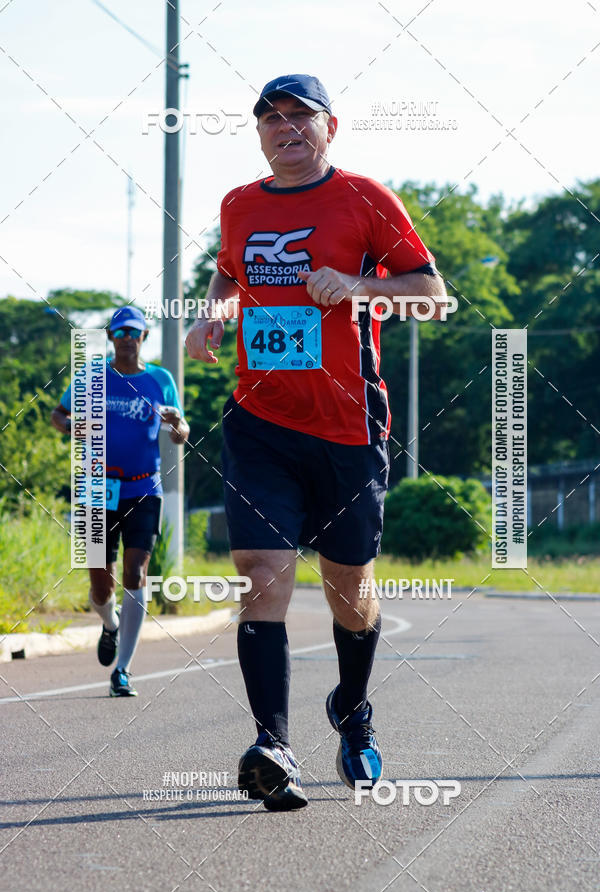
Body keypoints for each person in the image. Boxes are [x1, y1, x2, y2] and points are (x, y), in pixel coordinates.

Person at [185, 74, 447, 811]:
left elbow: (429, 292)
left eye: (301, 117)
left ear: (331, 126)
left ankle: (353, 709)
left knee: (350, 593)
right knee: (262, 574)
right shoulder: (239, 205)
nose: (286, 128)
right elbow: (228, 274)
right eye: (272, 118)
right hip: (260, 421)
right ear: (259, 132)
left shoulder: (364, 197)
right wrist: (213, 318)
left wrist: (357, 287)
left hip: (348, 428)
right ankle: (274, 746)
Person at [52, 306, 189, 697]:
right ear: (111, 337)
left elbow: (181, 427)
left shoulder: (160, 379)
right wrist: (71, 426)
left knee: (135, 572)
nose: (128, 337)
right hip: (97, 488)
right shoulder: (91, 377)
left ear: (144, 337)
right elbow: (57, 414)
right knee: (101, 584)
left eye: (135, 331)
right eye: (120, 331)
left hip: (144, 488)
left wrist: (178, 427)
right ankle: (109, 625)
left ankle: (123, 670)